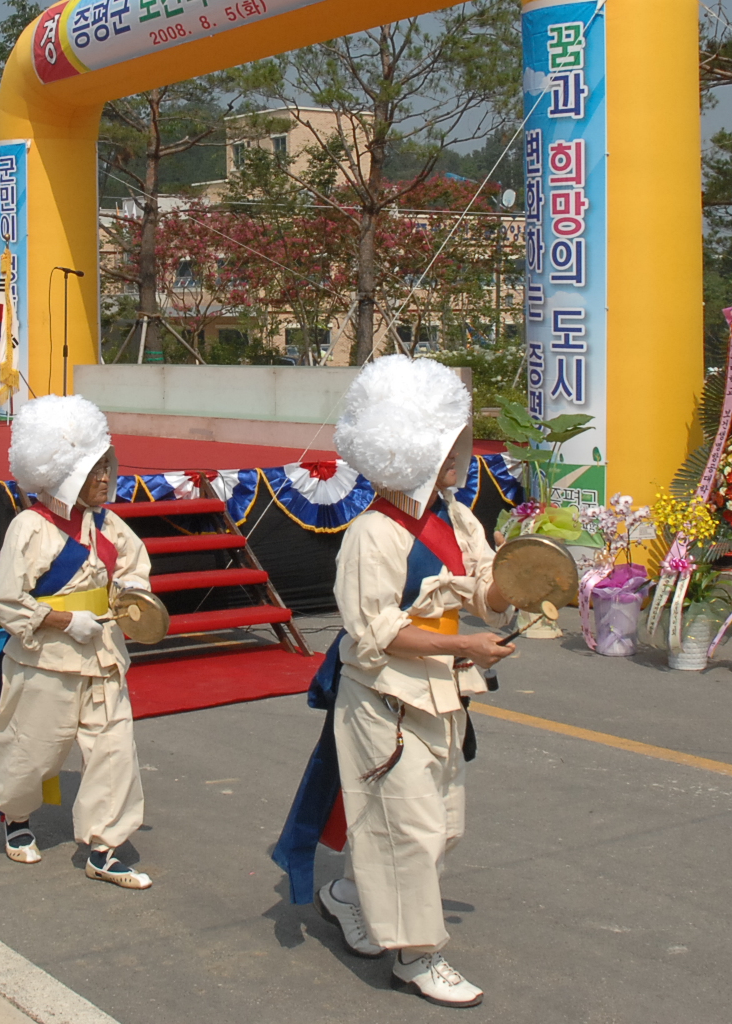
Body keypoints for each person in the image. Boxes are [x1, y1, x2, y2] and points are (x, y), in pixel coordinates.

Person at [272, 355, 511, 1008]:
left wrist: (529, 580)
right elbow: (372, 632)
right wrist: (464, 642)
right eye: (448, 444)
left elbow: (489, 586)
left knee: (443, 825)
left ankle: (348, 893)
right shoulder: (372, 533)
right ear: (413, 450)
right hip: (385, 700)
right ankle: (418, 957)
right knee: (407, 831)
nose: (460, 454)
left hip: (444, 693)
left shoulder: (459, 519)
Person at [0, 394, 155, 888]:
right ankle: (15, 818)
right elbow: (7, 602)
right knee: (32, 750)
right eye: (93, 470)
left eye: (107, 467)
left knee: (115, 748)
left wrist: (132, 597)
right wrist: (61, 620)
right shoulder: (28, 526)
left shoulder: (111, 525)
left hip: (103, 655)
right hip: (47, 660)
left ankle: (104, 846)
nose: (105, 478)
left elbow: (135, 570)